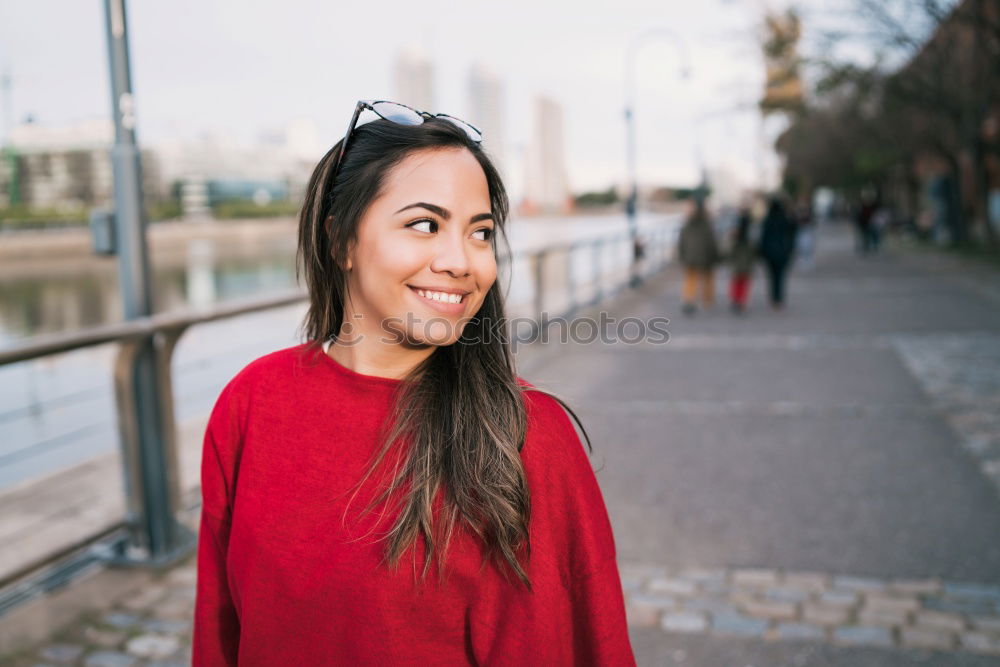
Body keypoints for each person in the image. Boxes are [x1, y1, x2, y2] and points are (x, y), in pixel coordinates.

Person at [192, 100, 635, 666]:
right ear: (340, 241)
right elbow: (219, 631)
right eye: (424, 224)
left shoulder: (527, 440)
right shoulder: (252, 403)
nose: (462, 260)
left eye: (480, 232)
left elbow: (581, 644)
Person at [677, 198, 720, 315]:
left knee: (691, 279)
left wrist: (681, 254)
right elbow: (712, 241)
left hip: (690, 256)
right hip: (705, 256)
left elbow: (682, 240)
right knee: (707, 279)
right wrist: (715, 255)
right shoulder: (707, 223)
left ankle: (689, 300)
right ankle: (707, 301)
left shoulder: (688, 222)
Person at [758, 196, 797, 310]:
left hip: (770, 253)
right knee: (780, 277)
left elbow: (763, 238)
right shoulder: (785, 219)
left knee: (772, 277)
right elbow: (792, 233)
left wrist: (762, 252)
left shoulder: (767, 220)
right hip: (782, 252)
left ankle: (774, 298)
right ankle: (779, 299)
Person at [728, 207, 756, 314]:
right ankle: (741, 300)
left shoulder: (737, 228)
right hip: (746, 256)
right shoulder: (751, 228)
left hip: (739, 255)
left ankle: (736, 299)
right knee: (744, 280)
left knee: (737, 279)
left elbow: (730, 245)